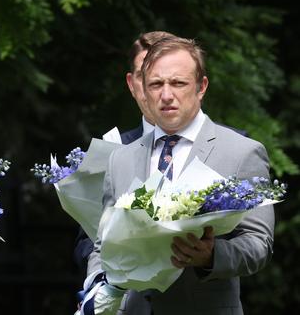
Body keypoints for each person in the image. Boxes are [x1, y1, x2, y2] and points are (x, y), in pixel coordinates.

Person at [86, 36, 274, 314]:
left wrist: (211, 256)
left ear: (201, 87)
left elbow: (259, 244)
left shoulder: (242, 152)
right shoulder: (120, 158)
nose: (166, 95)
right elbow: (103, 244)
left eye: (178, 83)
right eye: (156, 84)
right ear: (143, 91)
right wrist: (97, 290)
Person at [73, 31, 175, 273]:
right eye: (145, 75)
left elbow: (250, 242)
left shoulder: (226, 146)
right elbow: (86, 243)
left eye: (167, 77)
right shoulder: (110, 149)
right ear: (131, 84)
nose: (156, 87)